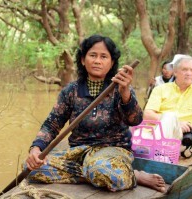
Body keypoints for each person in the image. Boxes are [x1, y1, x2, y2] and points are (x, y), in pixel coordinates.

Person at [25, 34, 166, 193]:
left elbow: (135, 120)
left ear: (112, 62)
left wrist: (125, 92)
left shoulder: (121, 88)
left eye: (104, 57)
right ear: (83, 60)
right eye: (92, 55)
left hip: (113, 151)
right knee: (32, 168)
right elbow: (51, 124)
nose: (97, 60)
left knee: (103, 170)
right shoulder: (70, 91)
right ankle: (92, 173)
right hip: (79, 153)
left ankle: (133, 175)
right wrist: (36, 150)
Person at [144, 54, 192, 151]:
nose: (189, 73)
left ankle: (156, 151)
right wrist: (176, 123)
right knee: (169, 117)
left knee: (170, 116)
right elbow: (147, 115)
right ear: (175, 72)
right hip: (151, 134)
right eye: (185, 69)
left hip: (179, 139)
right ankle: (154, 149)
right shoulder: (160, 89)